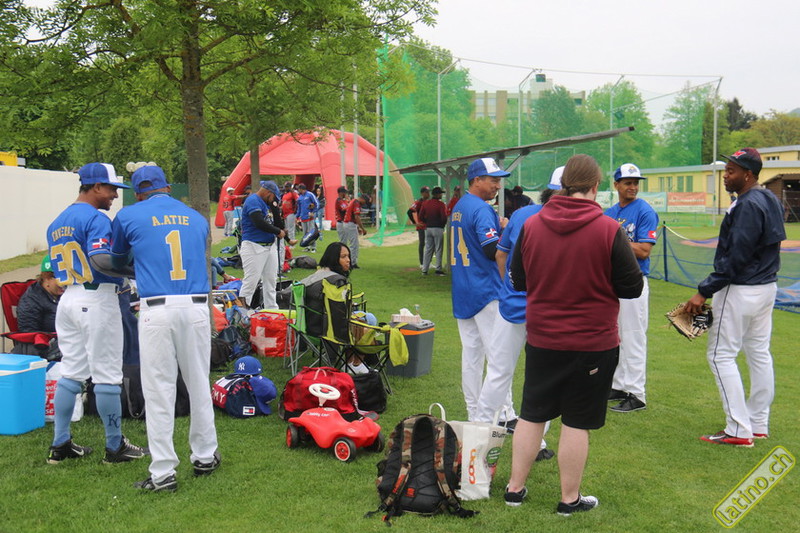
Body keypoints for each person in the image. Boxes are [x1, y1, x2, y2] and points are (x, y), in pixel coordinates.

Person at [505, 154, 642, 515]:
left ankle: (514, 489)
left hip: (544, 338)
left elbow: (517, 280)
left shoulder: (533, 225)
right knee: (576, 421)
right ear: (596, 186)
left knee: (532, 414)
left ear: (564, 185)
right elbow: (632, 286)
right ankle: (568, 499)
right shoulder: (608, 229)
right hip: (591, 341)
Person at [110, 165, 220, 492]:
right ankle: (205, 456)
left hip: (156, 307)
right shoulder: (197, 218)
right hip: (196, 306)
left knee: (159, 389)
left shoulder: (128, 215)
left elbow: (117, 260)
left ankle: (163, 473)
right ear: (167, 187)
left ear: (138, 193)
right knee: (198, 382)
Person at [45, 162, 147, 465]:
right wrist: (138, 271)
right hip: (97, 298)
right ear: (96, 186)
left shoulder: (57, 221)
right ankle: (115, 447)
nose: (115, 195)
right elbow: (102, 260)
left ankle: (60, 443)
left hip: (68, 298)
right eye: (112, 188)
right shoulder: (96, 218)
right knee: (107, 376)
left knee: (71, 372)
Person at [684, 148, 785, 447]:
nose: (725, 175)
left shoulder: (748, 204)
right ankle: (757, 423)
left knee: (721, 355)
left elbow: (736, 257)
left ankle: (739, 430)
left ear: (748, 174)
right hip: (766, 287)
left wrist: (704, 290)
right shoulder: (768, 197)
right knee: (759, 352)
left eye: (732, 170)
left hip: (740, 289)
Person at [475, 167, 564, 458]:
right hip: (545, 311)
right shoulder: (568, 220)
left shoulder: (523, 214)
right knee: (541, 379)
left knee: (499, 374)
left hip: (514, 305)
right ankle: (532, 443)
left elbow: (501, 254)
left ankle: (479, 439)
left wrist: (509, 287)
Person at [450, 158, 509, 422]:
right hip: (485, 291)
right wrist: (505, 230)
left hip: (464, 289)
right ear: (477, 180)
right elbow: (491, 250)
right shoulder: (482, 209)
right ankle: (505, 413)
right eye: (493, 180)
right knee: (498, 357)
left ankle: (474, 413)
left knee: (472, 357)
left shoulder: (460, 205)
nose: (498, 185)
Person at [605, 163, 659, 413]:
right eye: (628, 182)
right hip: (613, 282)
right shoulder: (610, 212)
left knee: (634, 336)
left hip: (634, 281)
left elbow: (644, 250)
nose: (633, 187)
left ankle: (637, 393)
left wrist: (615, 239)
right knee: (616, 336)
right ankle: (619, 385)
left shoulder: (644, 211)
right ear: (616, 185)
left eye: (636, 182)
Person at [239, 181, 285, 310]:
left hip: (269, 246)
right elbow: (258, 222)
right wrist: (277, 231)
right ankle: (242, 313)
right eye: (273, 197)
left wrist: (275, 208)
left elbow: (279, 224)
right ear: (268, 193)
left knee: (271, 281)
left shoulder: (265, 203)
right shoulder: (253, 200)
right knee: (251, 282)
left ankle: (272, 309)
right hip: (253, 246)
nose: (273, 200)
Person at [418, 186, 447, 276]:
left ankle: (424, 269)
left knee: (428, 249)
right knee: (438, 249)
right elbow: (444, 217)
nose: (441, 195)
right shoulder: (441, 204)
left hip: (428, 228)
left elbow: (420, 216)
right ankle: (438, 269)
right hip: (438, 228)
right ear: (437, 194)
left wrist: (427, 222)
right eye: (440, 193)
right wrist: (442, 225)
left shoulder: (426, 203)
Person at [341, 193, 368, 269]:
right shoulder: (356, 203)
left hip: (348, 223)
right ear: (362, 199)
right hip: (350, 224)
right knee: (354, 244)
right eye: (365, 201)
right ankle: (352, 263)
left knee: (354, 244)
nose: (364, 203)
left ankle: (352, 262)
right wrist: (362, 228)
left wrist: (357, 228)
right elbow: (357, 217)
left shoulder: (353, 201)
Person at [408, 186, 430, 269]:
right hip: (422, 227)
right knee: (422, 244)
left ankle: (428, 262)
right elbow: (409, 212)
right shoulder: (418, 202)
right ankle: (422, 263)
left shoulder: (429, 202)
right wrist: (415, 223)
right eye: (426, 192)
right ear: (422, 193)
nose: (428, 194)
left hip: (429, 226)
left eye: (428, 192)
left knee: (429, 245)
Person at [295, 183, 319, 252]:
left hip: (310, 216)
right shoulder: (299, 198)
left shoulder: (310, 194)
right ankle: (307, 247)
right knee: (305, 233)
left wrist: (313, 212)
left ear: (301, 189)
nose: (298, 190)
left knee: (312, 233)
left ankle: (313, 247)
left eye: (299, 189)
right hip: (303, 217)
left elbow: (316, 203)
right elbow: (299, 208)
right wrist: (297, 216)